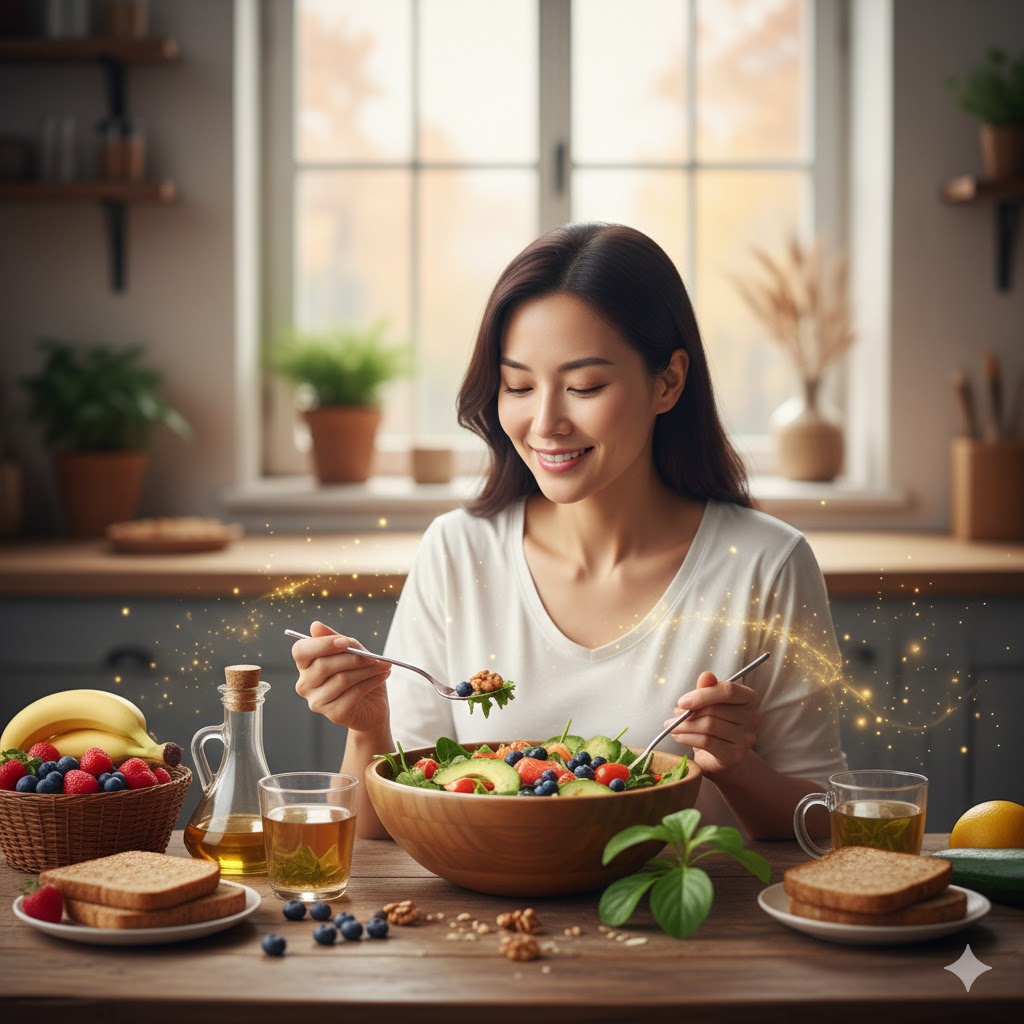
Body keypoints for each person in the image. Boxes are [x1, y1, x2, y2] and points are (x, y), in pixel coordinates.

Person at [291, 222, 846, 840]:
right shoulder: (458, 552)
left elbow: (823, 823)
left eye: (584, 386)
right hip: (487, 925)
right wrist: (369, 727)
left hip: (685, 925)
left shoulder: (765, 564)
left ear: (668, 382)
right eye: (519, 386)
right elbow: (385, 831)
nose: (546, 422)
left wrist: (737, 769)